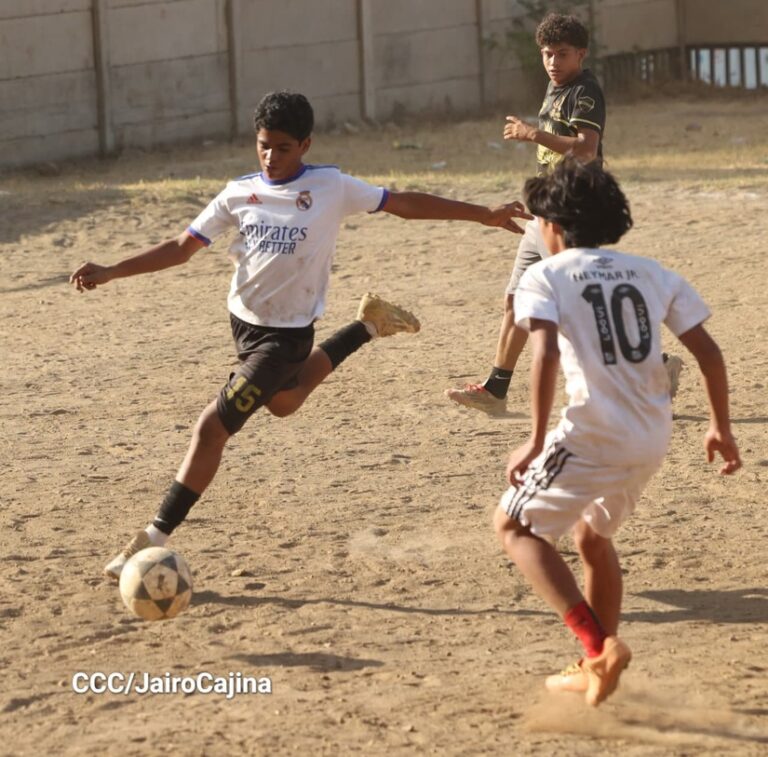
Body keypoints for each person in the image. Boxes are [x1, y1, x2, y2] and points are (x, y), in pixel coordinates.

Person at [70, 91, 532, 579]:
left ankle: (153, 536)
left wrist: (483, 213)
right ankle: (369, 324)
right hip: (243, 326)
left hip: (284, 338)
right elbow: (181, 247)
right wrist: (113, 270)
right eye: (264, 145)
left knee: (212, 428)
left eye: (283, 147)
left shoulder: (331, 187)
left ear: (305, 144)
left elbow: (404, 203)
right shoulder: (239, 192)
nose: (271, 157)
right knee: (285, 402)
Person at [492, 158, 741, 707]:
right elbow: (710, 354)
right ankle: (595, 665)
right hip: (651, 438)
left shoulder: (546, 274)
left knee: (515, 528)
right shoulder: (653, 272)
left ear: (553, 227)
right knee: (592, 539)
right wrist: (720, 426)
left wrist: (535, 440)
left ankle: (595, 643)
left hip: (593, 433)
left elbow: (544, 353)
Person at [446, 12, 608, 415]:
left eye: (562, 54)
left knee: (577, 305)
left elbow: (586, 148)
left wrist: (531, 133)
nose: (553, 62)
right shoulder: (555, 88)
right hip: (544, 212)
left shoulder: (585, 91)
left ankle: (651, 370)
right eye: (547, 54)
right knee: (515, 300)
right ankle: (495, 388)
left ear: (581, 54)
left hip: (572, 213)